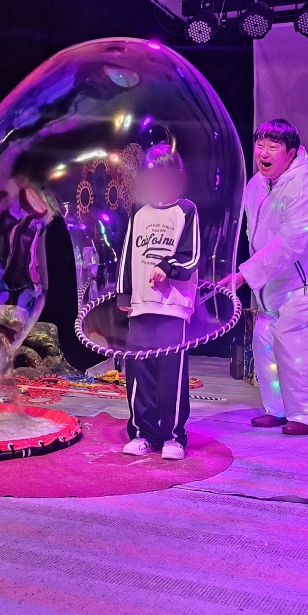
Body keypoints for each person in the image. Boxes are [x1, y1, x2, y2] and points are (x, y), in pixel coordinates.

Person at [222, 119, 308, 435]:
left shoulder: (305, 187)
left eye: (273, 147)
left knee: (294, 341)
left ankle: (307, 415)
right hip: (279, 281)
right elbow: (254, 236)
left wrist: (244, 275)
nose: (264, 153)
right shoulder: (256, 185)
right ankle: (278, 409)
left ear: (291, 153)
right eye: (260, 145)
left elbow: (290, 243)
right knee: (265, 338)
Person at [116, 143, 200, 460]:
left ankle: (173, 437)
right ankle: (142, 434)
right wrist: (125, 293)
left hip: (173, 307)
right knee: (139, 372)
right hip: (141, 305)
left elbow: (191, 256)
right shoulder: (139, 209)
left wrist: (167, 267)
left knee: (171, 374)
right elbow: (127, 254)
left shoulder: (186, 210)